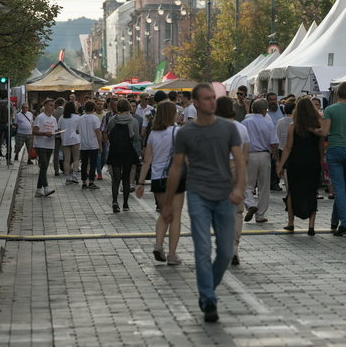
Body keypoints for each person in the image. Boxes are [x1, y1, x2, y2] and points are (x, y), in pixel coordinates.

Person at [161, 83, 245, 323]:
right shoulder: (186, 133)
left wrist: (239, 187)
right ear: (195, 103)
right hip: (198, 195)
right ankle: (208, 299)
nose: (212, 102)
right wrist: (168, 204)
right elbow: (176, 168)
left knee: (226, 252)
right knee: (202, 250)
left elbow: (240, 161)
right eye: (207, 99)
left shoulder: (228, 129)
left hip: (225, 195)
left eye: (213, 98)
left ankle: (208, 288)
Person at [136, 101, 185, 265]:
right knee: (176, 216)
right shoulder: (178, 132)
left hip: (157, 178)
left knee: (165, 213)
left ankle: (158, 244)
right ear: (172, 114)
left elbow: (146, 161)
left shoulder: (153, 134)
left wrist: (140, 183)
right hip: (175, 178)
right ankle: (172, 254)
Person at [318, 82, 346, 236]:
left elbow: (324, 131)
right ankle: (335, 221)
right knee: (343, 187)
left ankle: (345, 224)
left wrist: (313, 129)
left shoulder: (330, 110)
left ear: (336, 93)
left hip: (335, 149)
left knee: (339, 189)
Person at [277, 97, 322, 235]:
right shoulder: (318, 126)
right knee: (311, 192)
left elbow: (288, 147)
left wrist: (280, 165)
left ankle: (291, 223)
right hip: (312, 162)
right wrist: (321, 161)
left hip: (296, 162)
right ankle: (311, 226)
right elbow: (321, 147)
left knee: (293, 192)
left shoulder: (293, 126)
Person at [214, 96, 250, 265]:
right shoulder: (242, 128)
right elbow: (245, 155)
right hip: (237, 167)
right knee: (237, 211)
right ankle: (234, 246)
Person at [242, 98, 278, 224]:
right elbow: (274, 142)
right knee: (264, 186)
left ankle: (250, 203)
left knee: (247, 184)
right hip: (264, 155)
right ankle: (260, 215)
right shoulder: (268, 123)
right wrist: (275, 157)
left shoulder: (245, 123)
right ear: (264, 110)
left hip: (250, 155)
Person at [105, 98, 140, 212]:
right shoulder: (133, 121)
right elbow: (136, 137)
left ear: (118, 108)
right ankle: (125, 203)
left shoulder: (112, 120)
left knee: (116, 178)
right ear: (129, 107)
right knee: (126, 178)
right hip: (127, 151)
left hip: (115, 151)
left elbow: (109, 134)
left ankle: (115, 202)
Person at [32, 98, 58, 197]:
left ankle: (38, 189)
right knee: (44, 164)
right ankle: (46, 188)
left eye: (53, 105)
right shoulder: (40, 117)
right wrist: (44, 133)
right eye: (51, 105)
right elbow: (34, 131)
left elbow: (54, 130)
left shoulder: (54, 119)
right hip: (40, 144)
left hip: (50, 145)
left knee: (45, 167)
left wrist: (58, 133)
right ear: (46, 106)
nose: (52, 107)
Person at [78, 100, 101, 190]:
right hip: (93, 144)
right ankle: (91, 182)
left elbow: (77, 130)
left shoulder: (80, 118)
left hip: (83, 144)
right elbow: (98, 132)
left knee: (84, 163)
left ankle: (84, 182)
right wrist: (100, 145)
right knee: (92, 163)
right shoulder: (95, 119)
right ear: (93, 108)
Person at [58, 101, 81, 185]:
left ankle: (67, 178)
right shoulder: (77, 117)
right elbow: (79, 130)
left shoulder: (62, 117)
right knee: (76, 158)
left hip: (65, 139)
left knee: (66, 159)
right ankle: (74, 175)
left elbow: (59, 128)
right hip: (75, 139)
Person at [0, 90, 13, 165]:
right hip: (7, 125)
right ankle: (8, 159)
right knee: (8, 142)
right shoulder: (9, 103)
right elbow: (11, 113)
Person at [52, 97, 66, 176]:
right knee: (65, 152)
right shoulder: (65, 112)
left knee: (56, 152)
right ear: (63, 103)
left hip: (56, 134)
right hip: (64, 134)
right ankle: (65, 168)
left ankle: (56, 170)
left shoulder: (53, 112)